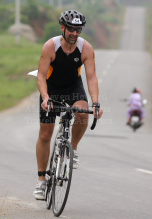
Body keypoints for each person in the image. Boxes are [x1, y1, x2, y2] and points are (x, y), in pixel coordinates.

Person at [33, 10, 103, 200]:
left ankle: (72, 148)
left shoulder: (85, 48)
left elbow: (91, 77)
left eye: (78, 29)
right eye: (71, 29)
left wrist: (96, 103)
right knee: (45, 134)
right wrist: (45, 97)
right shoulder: (50, 46)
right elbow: (40, 75)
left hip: (73, 86)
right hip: (51, 87)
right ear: (62, 28)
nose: (74, 33)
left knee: (82, 113)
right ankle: (41, 181)